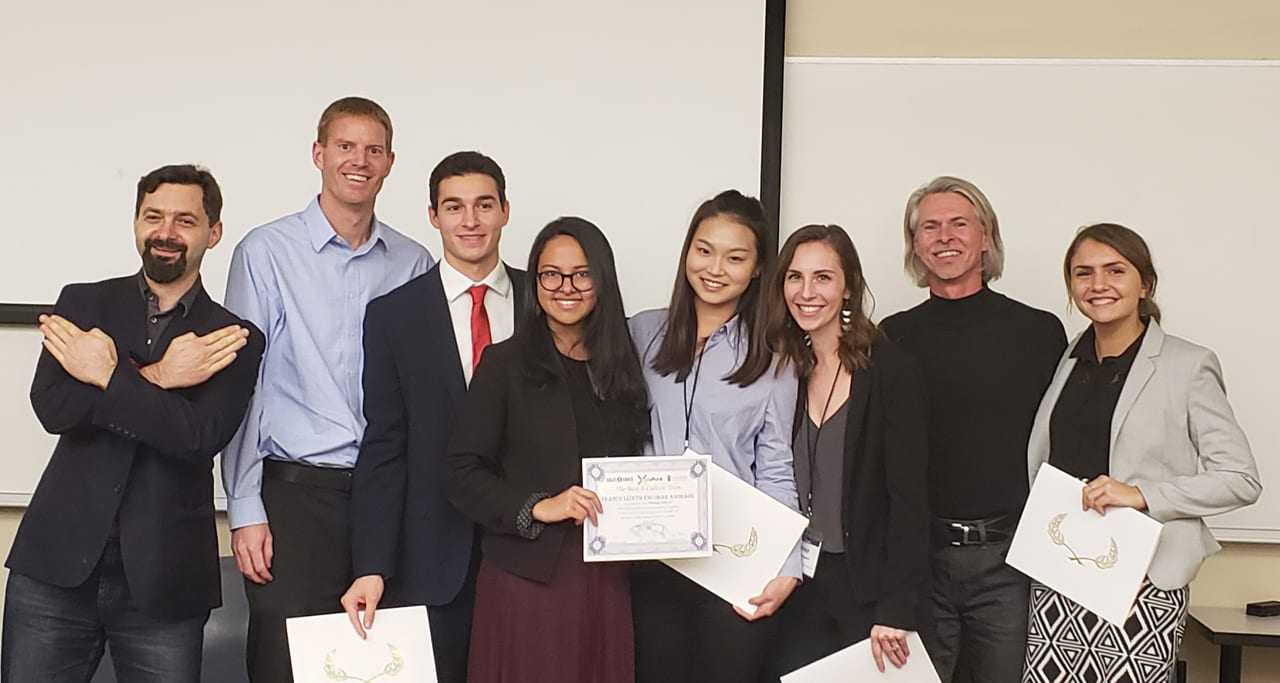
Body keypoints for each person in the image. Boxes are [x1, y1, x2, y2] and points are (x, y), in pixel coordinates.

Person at [2, 164, 264, 682]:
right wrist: (163, 377)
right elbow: (54, 409)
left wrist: (107, 376)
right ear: (136, 223)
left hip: (165, 583)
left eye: (185, 220)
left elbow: (196, 438)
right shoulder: (82, 302)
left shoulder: (232, 337)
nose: (165, 232)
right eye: (153, 217)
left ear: (213, 232)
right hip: (54, 567)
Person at [222, 96, 433, 681]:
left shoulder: (415, 264)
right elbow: (242, 389)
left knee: (382, 662)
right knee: (285, 664)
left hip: (386, 496)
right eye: (345, 146)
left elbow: (421, 399)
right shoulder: (264, 253)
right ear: (318, 154)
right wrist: (244, 507)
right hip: (295, 497)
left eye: (373, 149)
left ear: (391, 162)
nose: (358, 160)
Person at [1022, 223, 1260, 682]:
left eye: (1115, 270)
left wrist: (1141, 494)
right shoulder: (1067, 360)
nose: (1098, 285)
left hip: (1143, 581)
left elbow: (1241, 478)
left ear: (1144, 283)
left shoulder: (1187, 365)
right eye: (1083, 273)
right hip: (1060, 574)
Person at [340, 151, 522, 683]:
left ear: (505, 211)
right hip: (429, 559)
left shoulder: (545, 300)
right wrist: (370, 565)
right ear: (433, 216)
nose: (470, 221)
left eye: (484, 205)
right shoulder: (394, 314)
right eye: (454, 207)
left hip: (529, 554)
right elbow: (384, 446)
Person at [446, 217, 650, 682]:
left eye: (582, 274)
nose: (566, 288)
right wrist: (539, 507)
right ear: (535, 281)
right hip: (529, 578)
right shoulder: (505, 363)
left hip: (609, 578)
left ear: (602, 279)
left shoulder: (623, 367)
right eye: (550, 274)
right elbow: (461, 473)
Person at [879, 176, 1066, 682]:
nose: (945, 236)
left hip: (1011, 561)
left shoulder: (1040, 332)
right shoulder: (891, 337)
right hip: (921, 561)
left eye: (959, 223)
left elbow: (1070, 443)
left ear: (986, 237)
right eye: (930, 227)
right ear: (915, 245)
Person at [628, 189, 800, 682]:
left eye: (735, 256)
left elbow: (775, 468)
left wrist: (786, 565)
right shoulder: (642, 333)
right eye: (704, 250)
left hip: (733, 562)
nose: (715, 268)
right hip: (652, 559)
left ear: (758, 269)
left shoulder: (774, 356)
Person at [764, 224, 931, 679]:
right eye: (794, 277)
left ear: (849, 286)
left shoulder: (891, 370)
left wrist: (896, 607)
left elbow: (909, 500)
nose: (806, 292)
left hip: (867, 590)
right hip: (796, 582)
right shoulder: (780, 369)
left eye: (823, 277)